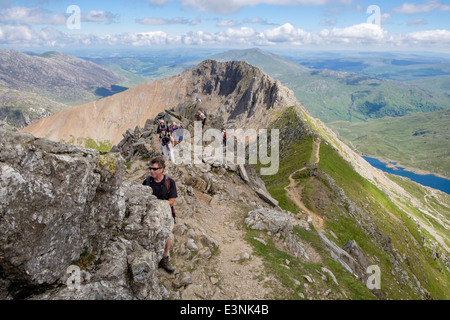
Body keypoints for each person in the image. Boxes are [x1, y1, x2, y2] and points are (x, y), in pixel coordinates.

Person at [143, 157, 178, 273]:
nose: (152, 171)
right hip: (151, 214)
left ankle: (164, 257)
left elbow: (171, 201)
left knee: (165, 234)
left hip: (165, 214)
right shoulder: (147, 182)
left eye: (155, 169)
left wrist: (157, 206)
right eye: (150, 168)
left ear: (162, 169)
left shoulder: (169, 182)